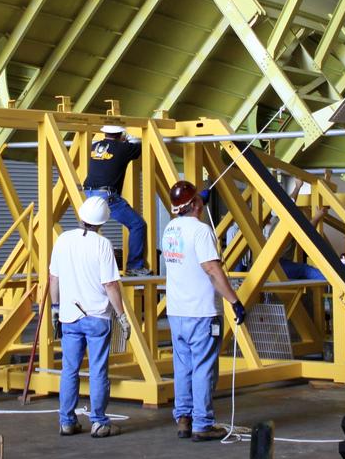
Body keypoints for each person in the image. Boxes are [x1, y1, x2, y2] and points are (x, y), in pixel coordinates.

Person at [163, 181, 246, 442]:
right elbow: (212, 269)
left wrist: (198, 202)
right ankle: (203, 423)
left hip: (177, 311)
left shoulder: (170, 229)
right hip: (201, 312)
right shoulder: (201, 231)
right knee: (203, 368)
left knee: (183, 366)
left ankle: (184, 419)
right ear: (195, 204)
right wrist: (234, 300)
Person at [49, 196, 131, 439]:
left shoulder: (63, 239)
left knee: (69, 370)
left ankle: (66, 421)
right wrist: (122, 315)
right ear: (103, 221)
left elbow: (54, 279)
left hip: (69, 317)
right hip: (97, 317)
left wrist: (56, 307)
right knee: (97, 371)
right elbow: (110, 285)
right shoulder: (102, 244)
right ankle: (98, 422)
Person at [83, 124, 150, 276]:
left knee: (91, 229)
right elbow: (139, 148)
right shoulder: (123, 149)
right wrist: (130, 140)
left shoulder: (94, 147)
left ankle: (86, 263)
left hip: (89, 193)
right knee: (137, 225)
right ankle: (134, 266)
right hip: (107, 195)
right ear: (121, 135)